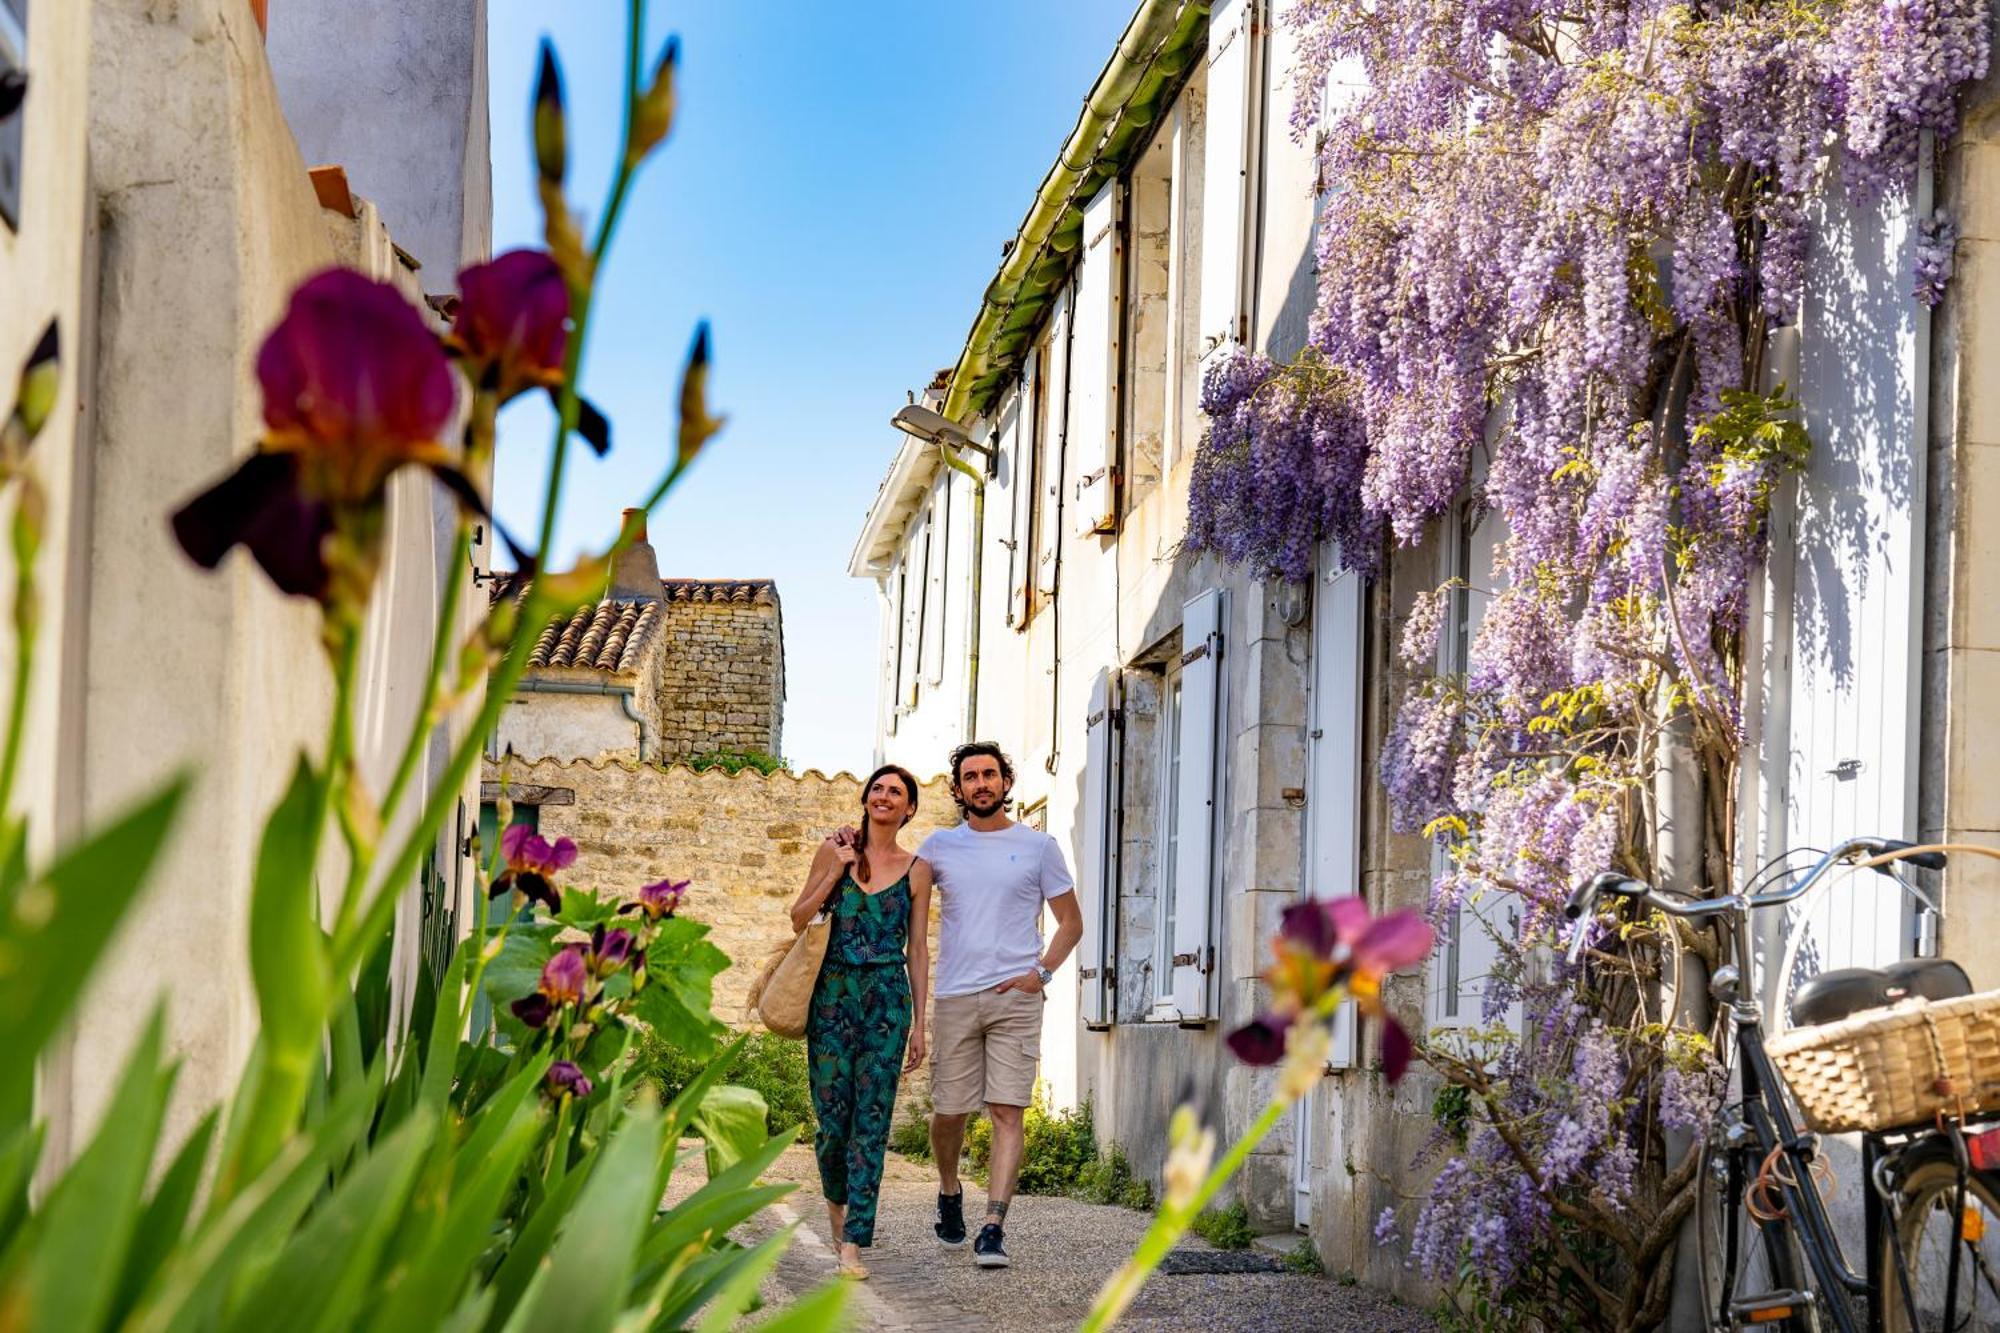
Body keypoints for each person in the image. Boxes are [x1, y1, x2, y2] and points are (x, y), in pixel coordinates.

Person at [918, 741, 1083, 1269]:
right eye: (971, 777)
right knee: (950, 1112)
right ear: (959, 788)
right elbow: (893, 881)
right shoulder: (940, 847)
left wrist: (1040, 974)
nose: (982, 784)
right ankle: (949, 1190)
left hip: (1016, 998)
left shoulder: (1039, 848)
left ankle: (994, 1226)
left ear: (1006, 783)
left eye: (990, 774)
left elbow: (1071, 922)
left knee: (1008, 1110)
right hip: (956, 997)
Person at [790, 763, 932, 1281]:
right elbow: (798, 917)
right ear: (866, 798)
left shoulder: (918, 869)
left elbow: (916, 948)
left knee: (871, 1122)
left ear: (909, 808)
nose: (885, 796)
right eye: (878, 788)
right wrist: (836, 870)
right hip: (831, 996)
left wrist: (920, 1023)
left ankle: (853, 1241)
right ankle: (836, 1215)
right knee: (832, 1124)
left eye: (896, 792)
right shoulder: (834, 849)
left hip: (887, 1002)